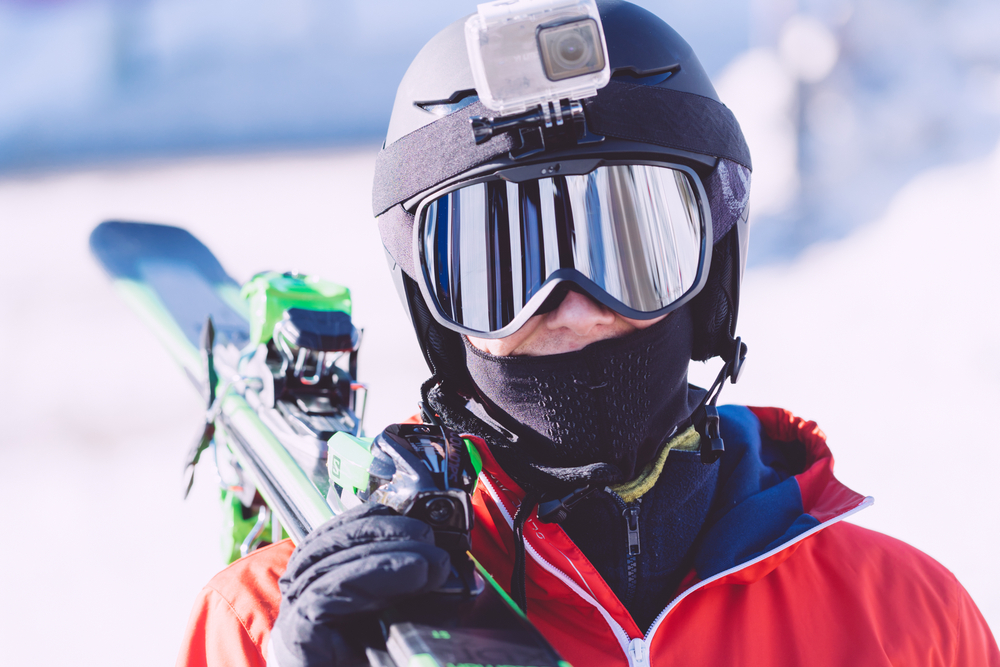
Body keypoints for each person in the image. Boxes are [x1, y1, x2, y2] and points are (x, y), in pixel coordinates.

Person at [177, 2, 1000, 665]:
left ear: (711, 271)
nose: (570, 305)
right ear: (434, 306)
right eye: (500, 266)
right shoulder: (273, 622)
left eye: (631, 245)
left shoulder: (906, 622)